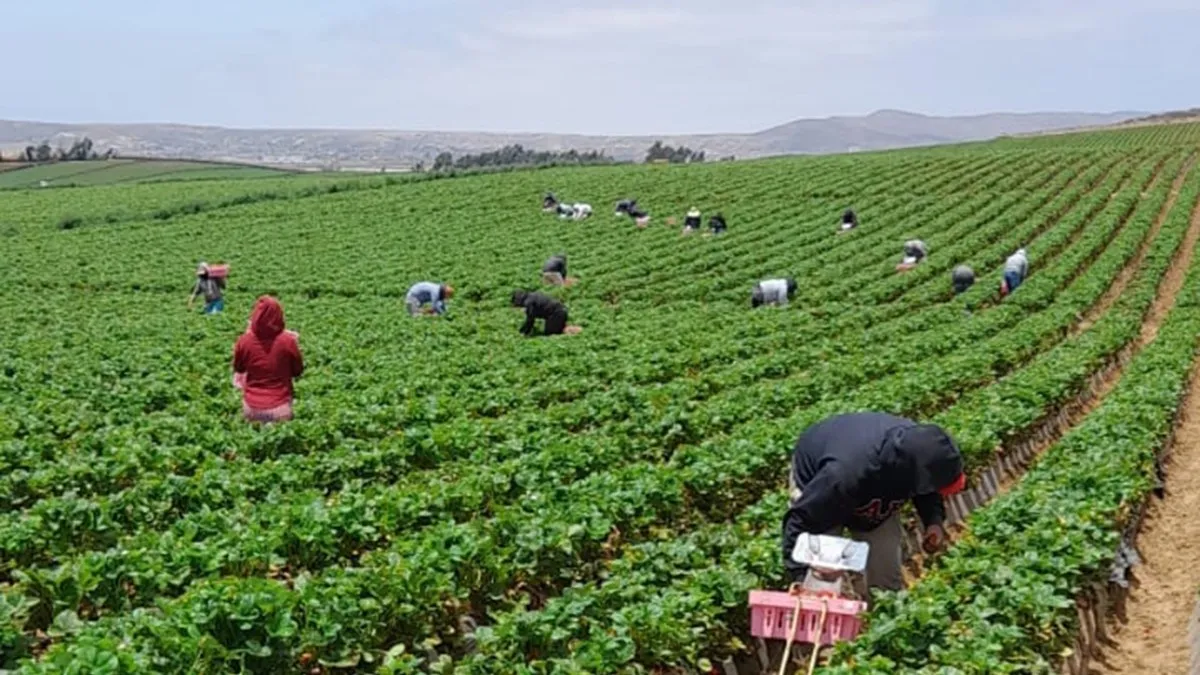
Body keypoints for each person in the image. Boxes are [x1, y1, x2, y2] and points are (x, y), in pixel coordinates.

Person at [781, 412, 966, 591]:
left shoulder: (918, 450)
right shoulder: (842, 474)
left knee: (886, 576)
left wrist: (933, 521)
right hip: (822, 487)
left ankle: (882, 612)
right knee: (821, 577)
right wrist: (799, 575)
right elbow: (801, 520)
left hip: (866, 485)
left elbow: (929, 486)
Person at [232, 296, 304, 423]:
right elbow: (297, 371)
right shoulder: (288, 341)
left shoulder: (244, 340)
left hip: (251, 408)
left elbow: (239, 368)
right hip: (280, 408)